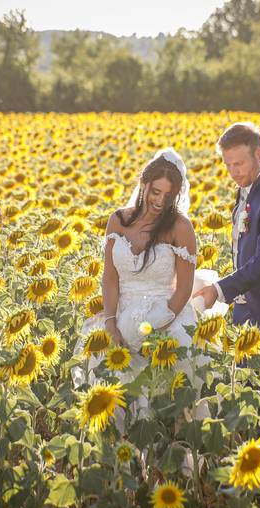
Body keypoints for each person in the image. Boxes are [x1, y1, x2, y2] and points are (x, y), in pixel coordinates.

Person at [74, 147, 220, 424]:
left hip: (166, 315)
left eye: (168, 196)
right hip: (120, 311)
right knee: (110, 390)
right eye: (156, 192)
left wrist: (151, 329)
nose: (160, 201)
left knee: (171, 393)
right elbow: (110, 278)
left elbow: (183, 290)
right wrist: (110, 322)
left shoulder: (181, 227)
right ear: (144, 185)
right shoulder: (118, 220)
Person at [193, 122, 260, 330]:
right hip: (245, 310)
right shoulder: (247, 186)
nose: (233, 172)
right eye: (228, 165)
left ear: (259, 155)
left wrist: (219, 289)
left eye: (239, 164)